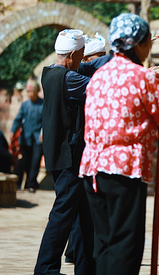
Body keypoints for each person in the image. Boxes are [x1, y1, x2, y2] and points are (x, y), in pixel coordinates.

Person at [80, 13, 159, 275]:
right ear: (137, 44)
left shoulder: (98, 77)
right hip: (124, 170)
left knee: (104, 243)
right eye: (147, 41)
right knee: (126, 244)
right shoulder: (143, 77)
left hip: (92, 169)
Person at [35, 29, 112, 275]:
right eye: (81, 55)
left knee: (84, 214)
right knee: (63, 214)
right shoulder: (69, 79)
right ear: (72, 54)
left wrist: (113, 56)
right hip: (68, 158)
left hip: (68, 156)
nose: (83, 60)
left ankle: (86, 267)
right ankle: (45, 268)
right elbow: (100, 87)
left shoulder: (52, 72)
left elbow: (93, 66)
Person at [11, 81, 44, 192]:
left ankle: (31, 184)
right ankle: (19, 183)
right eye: (28, 92)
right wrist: (13, 131)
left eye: (32, 92)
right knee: (25, 161)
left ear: (37, 92)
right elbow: (18, 119)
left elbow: (46, 121)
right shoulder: (25, 105)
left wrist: (42, 132)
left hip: (38, 138)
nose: (30, 94)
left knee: (35, 161)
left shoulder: (43, 104)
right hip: (26, 137)